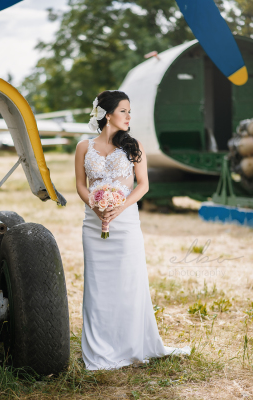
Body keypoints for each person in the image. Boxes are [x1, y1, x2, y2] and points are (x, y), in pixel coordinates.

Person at [75, 90, 191, 371]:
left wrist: (119, 207)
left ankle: (129, 346)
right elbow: (80, 184)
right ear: (106, 114)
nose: (129, 116)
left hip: (125, 224)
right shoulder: (83, 147)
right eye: (124, 111)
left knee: (128, 283)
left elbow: (143, 185)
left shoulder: (133, 145)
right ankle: (99, 350)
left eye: (129, 112)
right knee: (97, 287)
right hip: (93, 224)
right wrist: (95, 205)